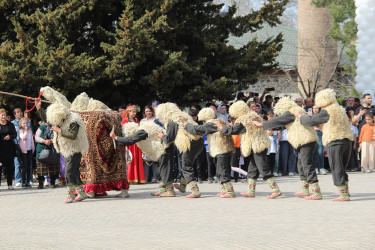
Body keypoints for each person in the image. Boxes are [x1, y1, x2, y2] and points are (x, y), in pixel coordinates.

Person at [254, 97, 322, 200]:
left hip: (306, 140)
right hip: (304, 141)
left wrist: (262, 124)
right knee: (301, 165)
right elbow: (283, 125)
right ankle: (305, 189)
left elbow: (278, 120)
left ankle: (316, 192)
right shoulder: (296, 111)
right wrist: (269, 127)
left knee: (307, 165)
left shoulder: (291, 112)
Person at [295, 89, 353, 201]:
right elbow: (331, 124)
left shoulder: (327, 111)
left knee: (336, 168)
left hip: (335, 142)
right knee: (342, 168)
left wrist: (300, 116)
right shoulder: (340, 109)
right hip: (347, 141)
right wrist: (319, 125)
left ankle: (343, 195)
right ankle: (346, 192)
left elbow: (310, 121)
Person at [216, 101, 282, 199]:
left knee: (262, 167)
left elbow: (231, 130)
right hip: (257, 145)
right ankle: (251, 191)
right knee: (252, 169)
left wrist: (221, 127)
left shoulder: (243, 120)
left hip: (257, 146)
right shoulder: (253, 116)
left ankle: (276, 190)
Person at [35, 99, 89, 203]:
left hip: (75, 148)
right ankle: (82, 193)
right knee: (74, 171)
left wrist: (59, 130)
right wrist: (39, 108)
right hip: (67, 149)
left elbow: (73, 135)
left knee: (69, 171)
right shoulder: (61, 118)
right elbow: (48, 119)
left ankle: (71, 194)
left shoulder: (74, 119)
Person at [182, 108, 236, 198]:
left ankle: (230, 192)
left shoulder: (211, 124)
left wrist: (185, 123)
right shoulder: (218, 121)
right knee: (222, 170)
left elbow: (197, 129)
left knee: (221, 171)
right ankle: (224, 190)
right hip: (226, 149)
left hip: (221, 150)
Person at [156, 103, 204, 198]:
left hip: (189, 143)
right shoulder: (183, 115)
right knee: (187, 164)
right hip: (198, 141)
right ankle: (182, 186)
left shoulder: (172, 121)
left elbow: (170, 138)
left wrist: (162, 136)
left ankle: (195, 191)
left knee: (186, 167)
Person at [121, 105, 146, 184]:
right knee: (130, 159)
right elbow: (123, 134)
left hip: (136, 143)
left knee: (137, 159)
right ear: (128, 112)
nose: (134, 113)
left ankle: (138, 178)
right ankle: (130, 178)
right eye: (133, 111)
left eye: (135, 111)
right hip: (129, 143)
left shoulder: (136, 120)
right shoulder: (125, 121)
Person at [35, 122, 60, 189]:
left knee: (53, 167)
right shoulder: (41, 127)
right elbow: (36, 137)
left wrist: (52, 141)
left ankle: (52, 183)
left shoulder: (55, 127)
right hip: (42, 150)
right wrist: (44, 141)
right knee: (41, 169)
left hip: (53, 149)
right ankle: (40, 184)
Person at [0, 109, 17, 190]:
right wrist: (3, 138)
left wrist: (10, 137)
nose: (3, 117)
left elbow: (15, 134)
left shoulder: (10, 124)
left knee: (10, 168)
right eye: (2, 115)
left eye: (4, 115)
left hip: (9, 149)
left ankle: (9, 184)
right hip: (0, 150)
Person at [140, 106, 158, 182]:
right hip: (145, 141)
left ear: (152, 112)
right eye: (146, 111)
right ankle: (146, 177)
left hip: (154, 140)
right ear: (144, 112)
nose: (148, 113)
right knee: (145, 159)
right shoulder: (142, 121)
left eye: (149, 111)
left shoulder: (156, 120)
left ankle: (154, 177)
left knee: (154, 159)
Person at [18, 117, 35, 188]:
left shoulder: (30, 130)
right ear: (21, 124)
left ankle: (28, 181)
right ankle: (23, 181)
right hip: (24, 151)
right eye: (23, 123)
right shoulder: (21, 131)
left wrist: (33, 148)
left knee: (29, 167)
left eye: (26, 123)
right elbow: (23, 137)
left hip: (29, 150)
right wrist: (26, 131)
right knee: (24, 167)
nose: (25, 124)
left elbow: (31, 140)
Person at [312, 106, 327, 175]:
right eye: (314, 108)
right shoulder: (310, 116)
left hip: (319, 133)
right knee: (314, 151)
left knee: (320, 150)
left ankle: (321, 167)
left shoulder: (321, 116)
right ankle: (315, 168)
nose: (315, 110)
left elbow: (320, 124)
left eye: (316, 108)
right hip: (312, 133)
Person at [11, 108, 23, 187]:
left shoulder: (26, 122)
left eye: (21, 111)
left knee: (26, 163)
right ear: (15, 115)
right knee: (17, 163)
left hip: (25, 145)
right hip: (16, 145)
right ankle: (18, 180)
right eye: (18, 112)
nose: (20, 113)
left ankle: (27, 179)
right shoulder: (12, 123)